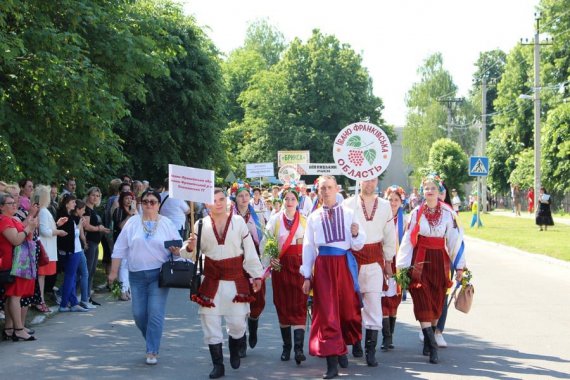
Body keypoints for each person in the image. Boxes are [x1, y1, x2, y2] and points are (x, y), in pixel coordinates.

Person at [184, 188, 263, 379]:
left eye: (221, 199)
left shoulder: (237, 222)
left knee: (237, 324)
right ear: (206, 204)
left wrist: (256, 275)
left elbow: (249, 250)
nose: (218, 203)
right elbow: (190, 254)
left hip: (235, 279)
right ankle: (218, 364)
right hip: (210, 280)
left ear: (227, 201)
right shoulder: (200, 224)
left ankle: (235, 349)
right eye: (213, 200)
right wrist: (190, 246)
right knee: (210, 324)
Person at [396, 174, 466, 364]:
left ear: (440, 191)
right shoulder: (416, 212)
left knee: (436, 300)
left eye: (433, 188)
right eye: (426, 188)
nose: (429, 191)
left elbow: (455, 240)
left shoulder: (448, 213)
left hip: (439, 260)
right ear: (422, 192)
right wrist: (402, 266)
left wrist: (459, 266)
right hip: (420, 259)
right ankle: (433, 345)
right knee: (422, 298)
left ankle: (429, 339)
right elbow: (408, 240)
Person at [301, 175, 366, 379]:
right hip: (323, 267)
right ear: (318, 191)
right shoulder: (313, 217)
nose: (326, 192)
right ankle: (332, 363)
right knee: (328, 313)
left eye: (329, 187)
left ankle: (343, 346)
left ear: (337, 189)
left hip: (344, 265)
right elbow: (309, 247)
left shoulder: (349, 213)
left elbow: (358, 245)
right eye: (322, 188)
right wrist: (306, 275)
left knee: (347, 311)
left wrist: (356, 234)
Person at [108, 188, 182, 365]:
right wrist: (113, 272)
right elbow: (119, 248)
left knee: (155, 313)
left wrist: (178, 250)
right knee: (139, 314)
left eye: (153, 202)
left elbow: (179, 250)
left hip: (159, 275)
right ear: (141, 204)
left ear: (158, 205)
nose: (149, 204)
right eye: (145, 201)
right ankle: (151, 338)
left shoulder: (166, 223)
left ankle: (152, 350)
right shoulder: (132, 223)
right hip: (137, 275)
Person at [342, 177, 396, 367]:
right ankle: (355, 341)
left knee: (373, 304)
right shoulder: (348, 203)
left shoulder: (384, 205)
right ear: (359, 181)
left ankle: (370, 351)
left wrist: (388, 260)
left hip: (374, 259)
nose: (369, 184)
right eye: (365, 180)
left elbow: (390, 234)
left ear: (377, 182)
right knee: (351, 303)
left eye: (372, 180)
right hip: (352, 259)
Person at [262, 185, 308, 364]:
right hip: (281, 267)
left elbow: (311, 246)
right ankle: (286, 346)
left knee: (299, 305)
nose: (289, 202)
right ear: (282, 201)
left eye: (293, 199)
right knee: (282, 305)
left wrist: (310, 267)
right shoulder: (275, 220)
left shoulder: (305, 221)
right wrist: (270, 259)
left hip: (299, 266)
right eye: (287, 199)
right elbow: (266, 243)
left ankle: (298, 349)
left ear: (298, 202)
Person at [230, 182, 266, 354]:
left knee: (258, 299)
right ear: (235, 198)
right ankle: (242, 339)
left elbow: (265, 239)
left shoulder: (257, 215)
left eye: (246, 195)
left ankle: (254, 323)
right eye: (240, 196)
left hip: (255, 260)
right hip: (236, 262)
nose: (244, 199)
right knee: (239, 299)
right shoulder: (230, 216)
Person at [0, 193, 39, 341]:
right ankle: (18, 329)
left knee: (12, 297)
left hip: (18, 263)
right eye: (10, 203)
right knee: (15, 296)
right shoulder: (4, 221)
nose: (14, 205)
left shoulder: (10, 219)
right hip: (13, 264)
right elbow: (16, 239)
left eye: (14, 202)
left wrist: (30, 219)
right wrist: (29, 228)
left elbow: (21, 229)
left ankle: (10, 329)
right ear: (1, 207)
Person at [382, 185, 407, 352]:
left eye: (396, 200)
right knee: (383, 297)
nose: (393, 203)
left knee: (395, 299)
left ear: (401, 202)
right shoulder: (381, 217)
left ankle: (390, 333)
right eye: (390, 199)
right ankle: (386, 336)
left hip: (399, 260)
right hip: (384, 258)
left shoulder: (405, 220)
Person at [36, 185, 68, 312]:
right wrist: (58, 231)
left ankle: (40, 300)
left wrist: (56, 224)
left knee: (42, 277)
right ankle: (40, 300)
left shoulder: (43, 210)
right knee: (41, 277)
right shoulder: (43, 211)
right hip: (46, 249)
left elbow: (47, 227)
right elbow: (44, 231)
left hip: (47, 248)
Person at [56, 194, 89, 313]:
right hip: (71, 251)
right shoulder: (64, 216)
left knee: (72, 277)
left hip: (71, 250)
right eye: (73, 202)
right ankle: (64, 304)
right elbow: (68, 234)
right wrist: (80, 225)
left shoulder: (66, 215)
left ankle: (73, 302)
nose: (75, 204)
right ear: (67, 203)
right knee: (70, 277)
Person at [83, 187, 110, 306]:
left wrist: (102, 229)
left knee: (92, 270)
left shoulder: (93, 210)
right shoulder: (86, 210)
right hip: (89, 242)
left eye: (98, 196)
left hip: (95, 242)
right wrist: (99, 228)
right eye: (93, 195)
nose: (95, 198)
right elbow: (86, 226)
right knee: (87, 270)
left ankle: (88, 296)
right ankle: (84, 297)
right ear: (88, 195)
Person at [112, 191, 138, 300]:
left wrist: (134, 212)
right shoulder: (119, 211)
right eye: (126, 198)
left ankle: (127, 290)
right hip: (121, 241)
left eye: (130, 198)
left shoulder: (135, 211)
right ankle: (122, 291)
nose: (128, 200)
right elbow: (122, 226)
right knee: (122, 266)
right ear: (122, 199)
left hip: (132, 241)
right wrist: (129, 214)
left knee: (129, 266)